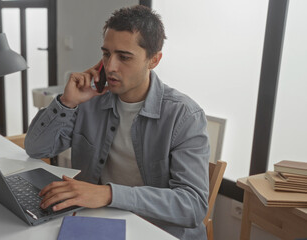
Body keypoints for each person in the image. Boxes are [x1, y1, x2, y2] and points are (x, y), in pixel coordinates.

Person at [25, 5, 210, 240]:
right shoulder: (90, 99)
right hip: (99, 221)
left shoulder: (184, 116)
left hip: (158, 231)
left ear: (154, 60)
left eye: (124, 57)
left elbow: (192, 206)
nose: (111, 66)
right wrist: (67, 102)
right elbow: (35, 148)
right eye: (106, 54)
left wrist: (109, 194)